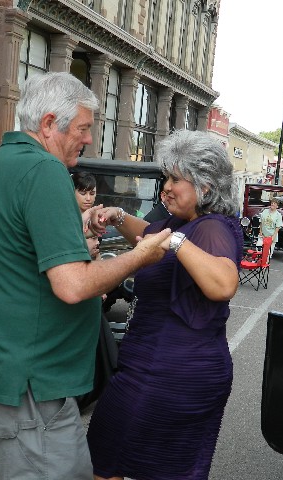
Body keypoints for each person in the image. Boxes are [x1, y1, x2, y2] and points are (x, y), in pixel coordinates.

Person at [0, 72, 171, 480]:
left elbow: (19, 253)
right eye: (84, 128)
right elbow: (72, 285)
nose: (89, 139)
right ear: (50, 124)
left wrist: (76, 228)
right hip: (29, 392)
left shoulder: (1, 163)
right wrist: (141, 255)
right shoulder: (44, 171)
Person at [86, 129, 244, 480]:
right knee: (108, 454)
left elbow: (223, 284)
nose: (166, 186)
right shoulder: (181, 222)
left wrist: (174, 241)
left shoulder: (211, 228)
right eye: (166, 177)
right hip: (152, 367)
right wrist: (117, 217)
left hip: (175, 375)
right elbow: (149, 233)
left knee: (123, 461)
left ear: (204, 187)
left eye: (176, 178)